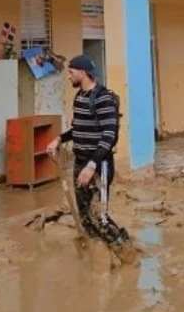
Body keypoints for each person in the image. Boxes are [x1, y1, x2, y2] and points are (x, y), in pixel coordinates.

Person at [46, 55, 131, 251]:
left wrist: (92, 166)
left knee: (99, 216)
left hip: (98, 164)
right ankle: (99, 255)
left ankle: (126, 252)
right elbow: (77, 129)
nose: (68, 76)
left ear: (83, 73)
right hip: (80, 161)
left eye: (71, 72)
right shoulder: (80, 97)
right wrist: (58, 139)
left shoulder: (103, 98)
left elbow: (109, 136)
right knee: (85, 215)